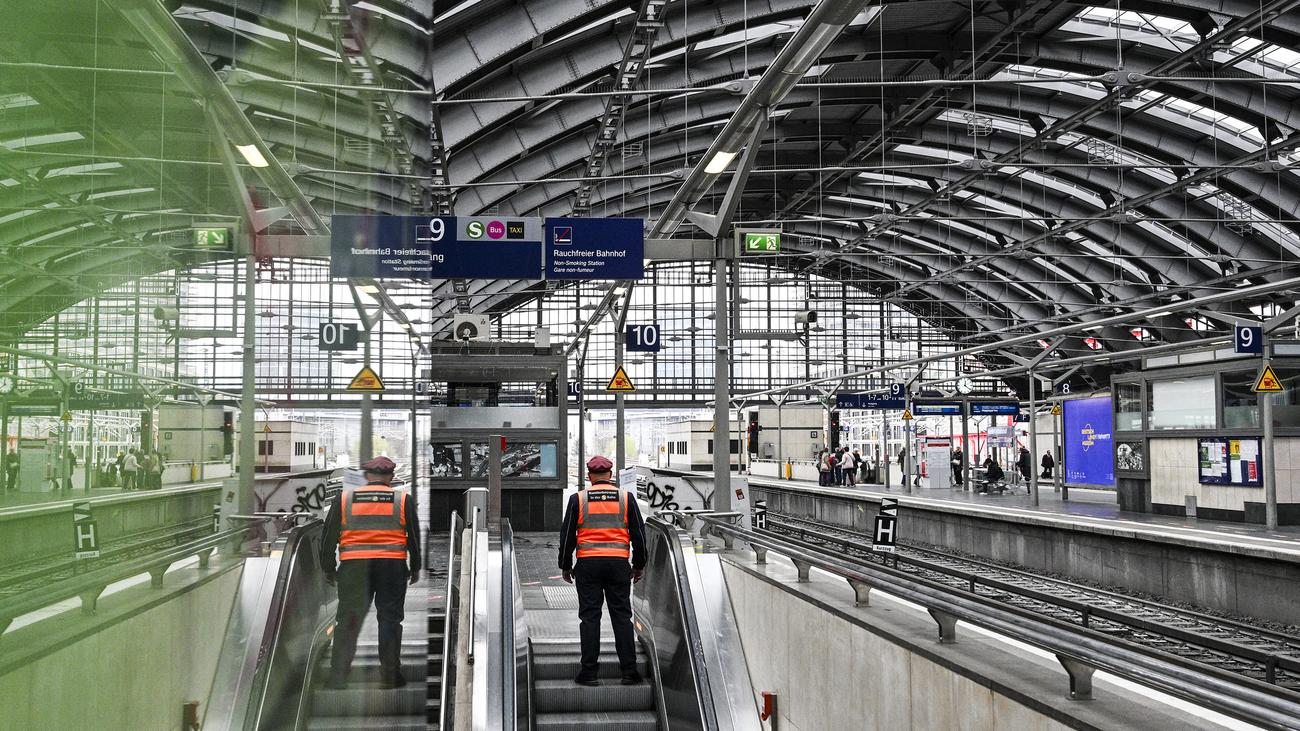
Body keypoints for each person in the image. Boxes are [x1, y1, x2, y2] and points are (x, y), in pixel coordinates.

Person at [320, 456, 421, 689]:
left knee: (347, 622)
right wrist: (415, 567)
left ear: (366, 476)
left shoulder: (344, 499)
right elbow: (413, 538)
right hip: (392, 568)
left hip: (354, 568)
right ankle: (390, 676)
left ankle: (337, 678)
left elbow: (329, 537)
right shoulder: (403, 499)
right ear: (392, 477)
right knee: (390, 621)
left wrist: (327, 567)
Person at [559, 455, 647, 687]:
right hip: (618, 565)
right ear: (610, 476)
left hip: (588, 566)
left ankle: (589, 672)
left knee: (590, 617)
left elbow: (567, 535)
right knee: (622, 617)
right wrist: (638, 565)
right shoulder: (626, 498)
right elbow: (639, 535)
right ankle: (629, 671)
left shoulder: (578, 499)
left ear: (589, 476)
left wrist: (566, 565)